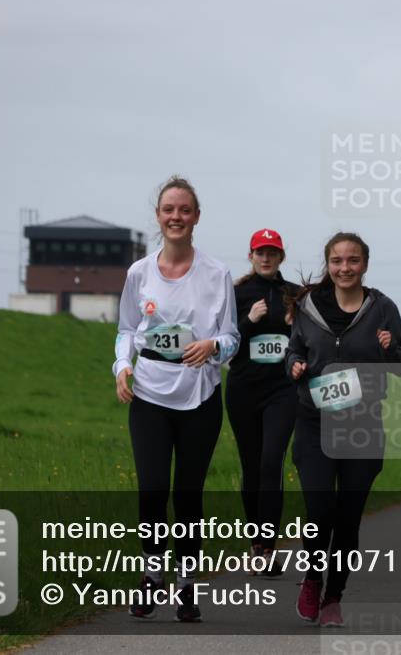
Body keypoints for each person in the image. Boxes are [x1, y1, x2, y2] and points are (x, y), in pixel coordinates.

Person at [114, 176, 240, 622]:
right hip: (149, 390)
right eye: (169, 209)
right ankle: (151, 575)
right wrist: (122, 366)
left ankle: (185, 582)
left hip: (199, 396)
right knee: (152, 490)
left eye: (184, 210)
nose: (176, 217)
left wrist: (213, 348)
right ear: (158, 216)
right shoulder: (139, 273)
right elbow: (127, 329)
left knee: (187, 494)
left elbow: (232, 337)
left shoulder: (217, 274)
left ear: (197, 217)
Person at [285, 232, 401, 627]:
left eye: (353, 260)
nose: (345, 268)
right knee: (320, 510)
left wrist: (390, 348)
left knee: (347, 518)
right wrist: (293, 365)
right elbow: (294, 349)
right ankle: (312, 578)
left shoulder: (383, 308)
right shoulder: (308, 307)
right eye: (337, 261)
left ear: (365, 265)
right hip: (314, 422)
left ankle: (333, 598)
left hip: (363, 425)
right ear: (328, 264)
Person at [226, 229, 300, 576]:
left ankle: (269, 549)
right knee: (252, 466)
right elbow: (225, 346)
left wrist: (294, 328)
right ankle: (254, 543)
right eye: (260, 252)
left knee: (272, 463)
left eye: (272, 253)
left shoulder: (295, 296)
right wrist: (249, 321)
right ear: (251, 256)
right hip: (243, 389)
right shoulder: (237, 293)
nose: (266, 258)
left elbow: (308, 344)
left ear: (281, 257)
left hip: (282, 391)